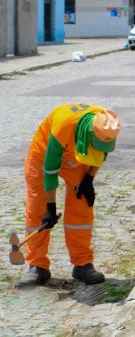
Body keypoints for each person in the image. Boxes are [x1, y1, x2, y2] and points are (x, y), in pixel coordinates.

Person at [19, 104, 121, 287]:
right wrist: (50, 207)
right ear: (89, 133)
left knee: (81, 204)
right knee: (38, 209)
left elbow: (101, 153)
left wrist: (89, 179)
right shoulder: (63, 126)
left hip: (77, 155)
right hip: (43, 156)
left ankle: (82, 264)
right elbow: (50, 170)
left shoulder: (107, 124)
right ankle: (37, 265)